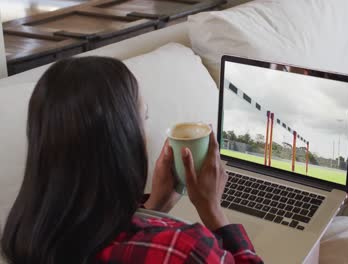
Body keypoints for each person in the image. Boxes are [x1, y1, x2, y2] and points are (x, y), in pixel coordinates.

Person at [0, 57, 263, 264]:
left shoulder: (24, 235)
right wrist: (212, 209)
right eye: (143, 118)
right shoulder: (184, 249)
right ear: (122, 140)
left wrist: (154, 206)